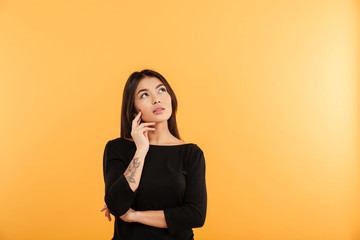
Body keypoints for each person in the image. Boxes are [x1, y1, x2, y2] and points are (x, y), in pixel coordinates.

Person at [100, 69, 207, 240]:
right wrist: (141, 151)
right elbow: (117, 205)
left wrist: (134, 216)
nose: (156, 99)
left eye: (161, 90)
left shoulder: (191, 153)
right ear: (134, 109)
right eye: (144, 95)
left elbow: (195, 215)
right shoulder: (117, 148)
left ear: (171, 98)